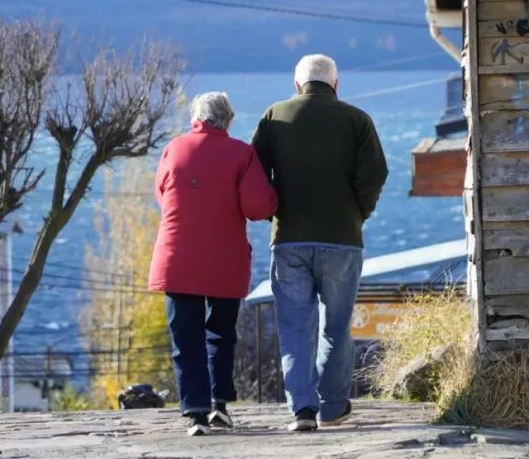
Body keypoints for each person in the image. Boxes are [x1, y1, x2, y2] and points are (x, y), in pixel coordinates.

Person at [251, 54, 388, 432]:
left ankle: (303, 411)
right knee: (337, 327)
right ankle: (333, 408)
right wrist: (358, 212)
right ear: (336, 84)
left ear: (297, 85)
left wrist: (272, 212)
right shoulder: (358, 120)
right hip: (343, 240)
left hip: (289, 240)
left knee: (296, 328)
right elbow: (375, 174)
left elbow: (255, 176)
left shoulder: (273, 116)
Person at [149, 91, 279, 437]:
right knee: (221, 334)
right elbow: (256, 207)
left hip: (178, 258)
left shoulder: (173, 149)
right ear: (229, 119)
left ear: (196, 118)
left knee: (185, 338)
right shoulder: (242, 154)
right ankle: (219, 405)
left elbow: (162, 195)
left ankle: (194, 411)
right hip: (225, 259)